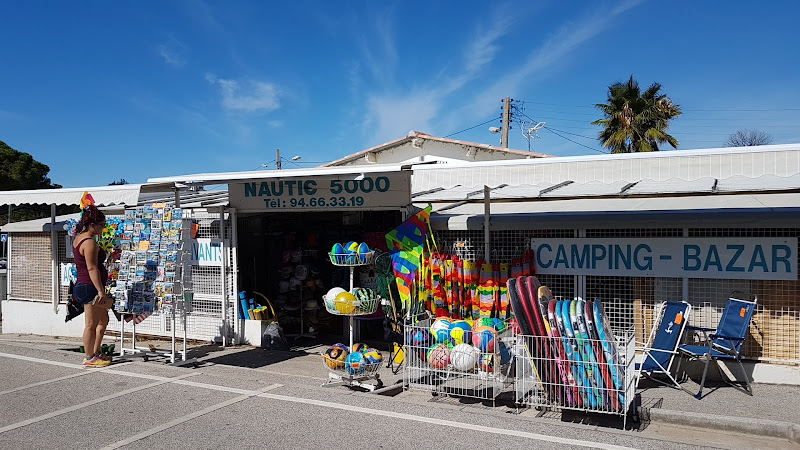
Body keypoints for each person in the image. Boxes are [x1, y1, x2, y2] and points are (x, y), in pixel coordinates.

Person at [72, 204, 113, 367]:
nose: (103, 228)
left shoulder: (79, 238)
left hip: (86, 285)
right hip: (89, 287)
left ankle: (96, 352)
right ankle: (89, 357)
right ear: (92, 225)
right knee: (91, 323)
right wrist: (100, 291)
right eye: (102, 225)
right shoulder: (88, 243)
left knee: (103, 320)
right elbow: (91, 267)